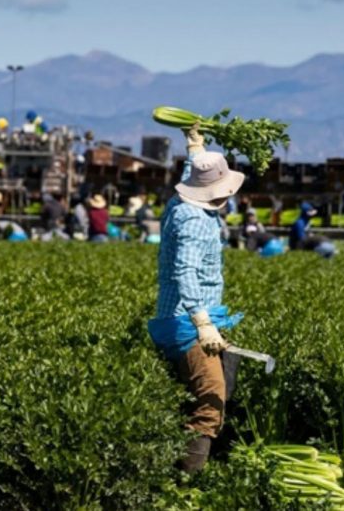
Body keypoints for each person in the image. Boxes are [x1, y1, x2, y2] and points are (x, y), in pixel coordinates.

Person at [147, 124, 246, 473]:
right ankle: (185, 481)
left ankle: (180, 452)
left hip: (187, 317)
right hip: (185, 322)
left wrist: (195, 147)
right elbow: (184, 272)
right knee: (212, 400)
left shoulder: (180, 203)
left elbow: (193, 176)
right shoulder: (193, 222)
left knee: (224, 376)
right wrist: (202, 323)